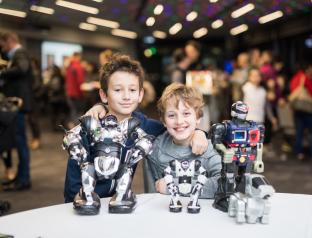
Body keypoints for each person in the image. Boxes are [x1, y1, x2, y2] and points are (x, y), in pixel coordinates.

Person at [64, 53, 208, 203]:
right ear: (104, 95)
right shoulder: (90, 129)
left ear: (140, 95)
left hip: (119, 203)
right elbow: (71, 191)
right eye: (118, 90)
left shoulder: (143, 125)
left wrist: (198, 133)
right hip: (86, 203)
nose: (126, 96)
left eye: (132, 90)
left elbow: (178, 128)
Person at [147, 83, 221, 199]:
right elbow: (152, 194)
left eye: (186, 113)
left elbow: (222, 184)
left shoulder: (208, 150)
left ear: (198, 118)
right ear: (164, 121)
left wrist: (173, 186)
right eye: (171, 115)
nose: (179, 121)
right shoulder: (156, 149)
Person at [0, 31, 32, 191]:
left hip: (18, 106)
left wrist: (2, 73)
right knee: (18, 142)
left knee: (20, 143)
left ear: (11, 41)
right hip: (15, 106)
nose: (3, 49)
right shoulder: (17, 54)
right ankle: (20, 178)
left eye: (3, 44)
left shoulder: (20, 53)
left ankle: (24, 180)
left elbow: (22, 69)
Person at [289, 64, 312, 161]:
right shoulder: (306, 78)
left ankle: (299, 153)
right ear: (307, 70)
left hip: (297, 109)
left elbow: (292, 92)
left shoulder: (294, 78)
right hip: (308, 110)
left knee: (299, 132)